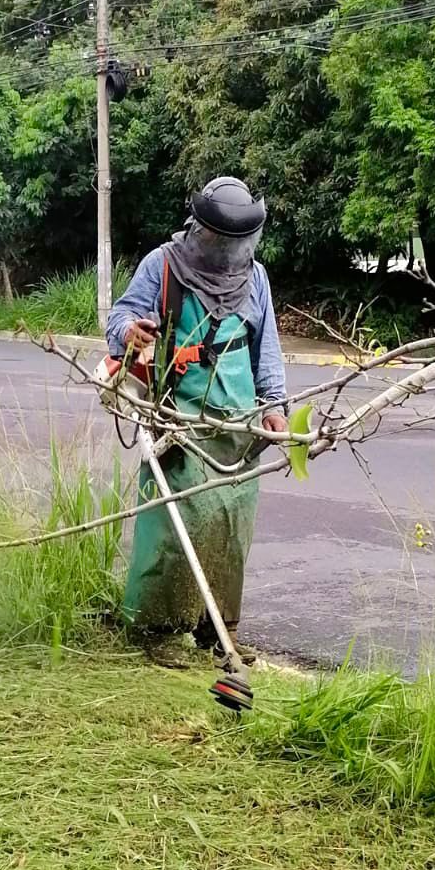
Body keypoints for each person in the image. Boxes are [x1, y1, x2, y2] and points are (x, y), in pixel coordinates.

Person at [106, 176, 288, 667]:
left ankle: (217, 631)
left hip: (239, 431)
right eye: (223, 241)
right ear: (202, 231)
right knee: (171, 528)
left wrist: (274, 407)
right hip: (179, 425)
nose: (232, 252)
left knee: (230, 529)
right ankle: (155, 631)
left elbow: (265, 350)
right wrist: (132, 332)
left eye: (240, 242)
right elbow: (118, 321)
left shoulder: (257, 279)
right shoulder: (163, 265)